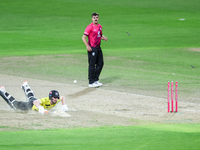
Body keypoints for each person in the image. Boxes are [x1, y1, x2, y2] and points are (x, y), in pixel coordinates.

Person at [0, 81, 68, 114]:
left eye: (57, 97)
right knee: (14, 105)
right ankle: (2, 91)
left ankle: (25, 85)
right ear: (50, 98)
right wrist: (40, 107)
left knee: (31, 96)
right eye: (54, 98)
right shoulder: (45, 100)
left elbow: (63, 97)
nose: (56, 99)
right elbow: (35, 102)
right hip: (29, 105)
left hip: (34, 101)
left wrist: (64, 105)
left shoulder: (57, 99)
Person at [82, 12, 108, 88]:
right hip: (92, 48)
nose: (95, 19)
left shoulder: (100, 26)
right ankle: (91, 82)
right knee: (92, 65)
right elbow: (83, 37)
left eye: (96, 17)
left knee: (101, 63)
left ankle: (95, 80)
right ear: (92, 18)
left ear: (98, 18)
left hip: (98, 48)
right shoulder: (89, 27)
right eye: (94, 17)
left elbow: (99, 35)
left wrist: (104, 37)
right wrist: (87, 46)